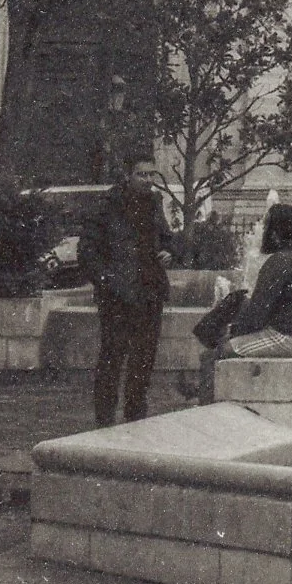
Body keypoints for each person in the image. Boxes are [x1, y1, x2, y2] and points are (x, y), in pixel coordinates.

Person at [193, 201, 292, 391]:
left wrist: (231, 333)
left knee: (214, 354)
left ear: (275, 233)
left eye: (266, 226)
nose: (262, 232)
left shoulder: (279, 260)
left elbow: (257, 313)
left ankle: (206, 409)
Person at [78, 158, 176, 427]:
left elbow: (166, 237)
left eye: (151, 174)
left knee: (143, 361)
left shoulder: (154, 203)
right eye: (141, 174)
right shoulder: (108, 205)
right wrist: (108, 282)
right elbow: (87, 251)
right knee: (112, 358)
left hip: (150, 292)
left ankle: (135, 420)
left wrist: (169, 252)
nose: (147, 180)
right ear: (128, 175)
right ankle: (105, 422)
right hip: (118, 297)